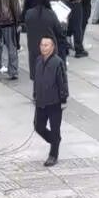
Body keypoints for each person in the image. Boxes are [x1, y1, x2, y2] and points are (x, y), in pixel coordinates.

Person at [31, 34, 68, 166]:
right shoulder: (38, 60)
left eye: (46, 45)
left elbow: (62, 82)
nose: (43, 47)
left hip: (54, 102)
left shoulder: (57, 62)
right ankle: (55, 140)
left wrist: (63, 99)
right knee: (38, 126)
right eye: (42, 45)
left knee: (55, 128)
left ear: (52, 47)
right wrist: (35, 94)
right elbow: (36, 79)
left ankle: (53, 155)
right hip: (41, 101)